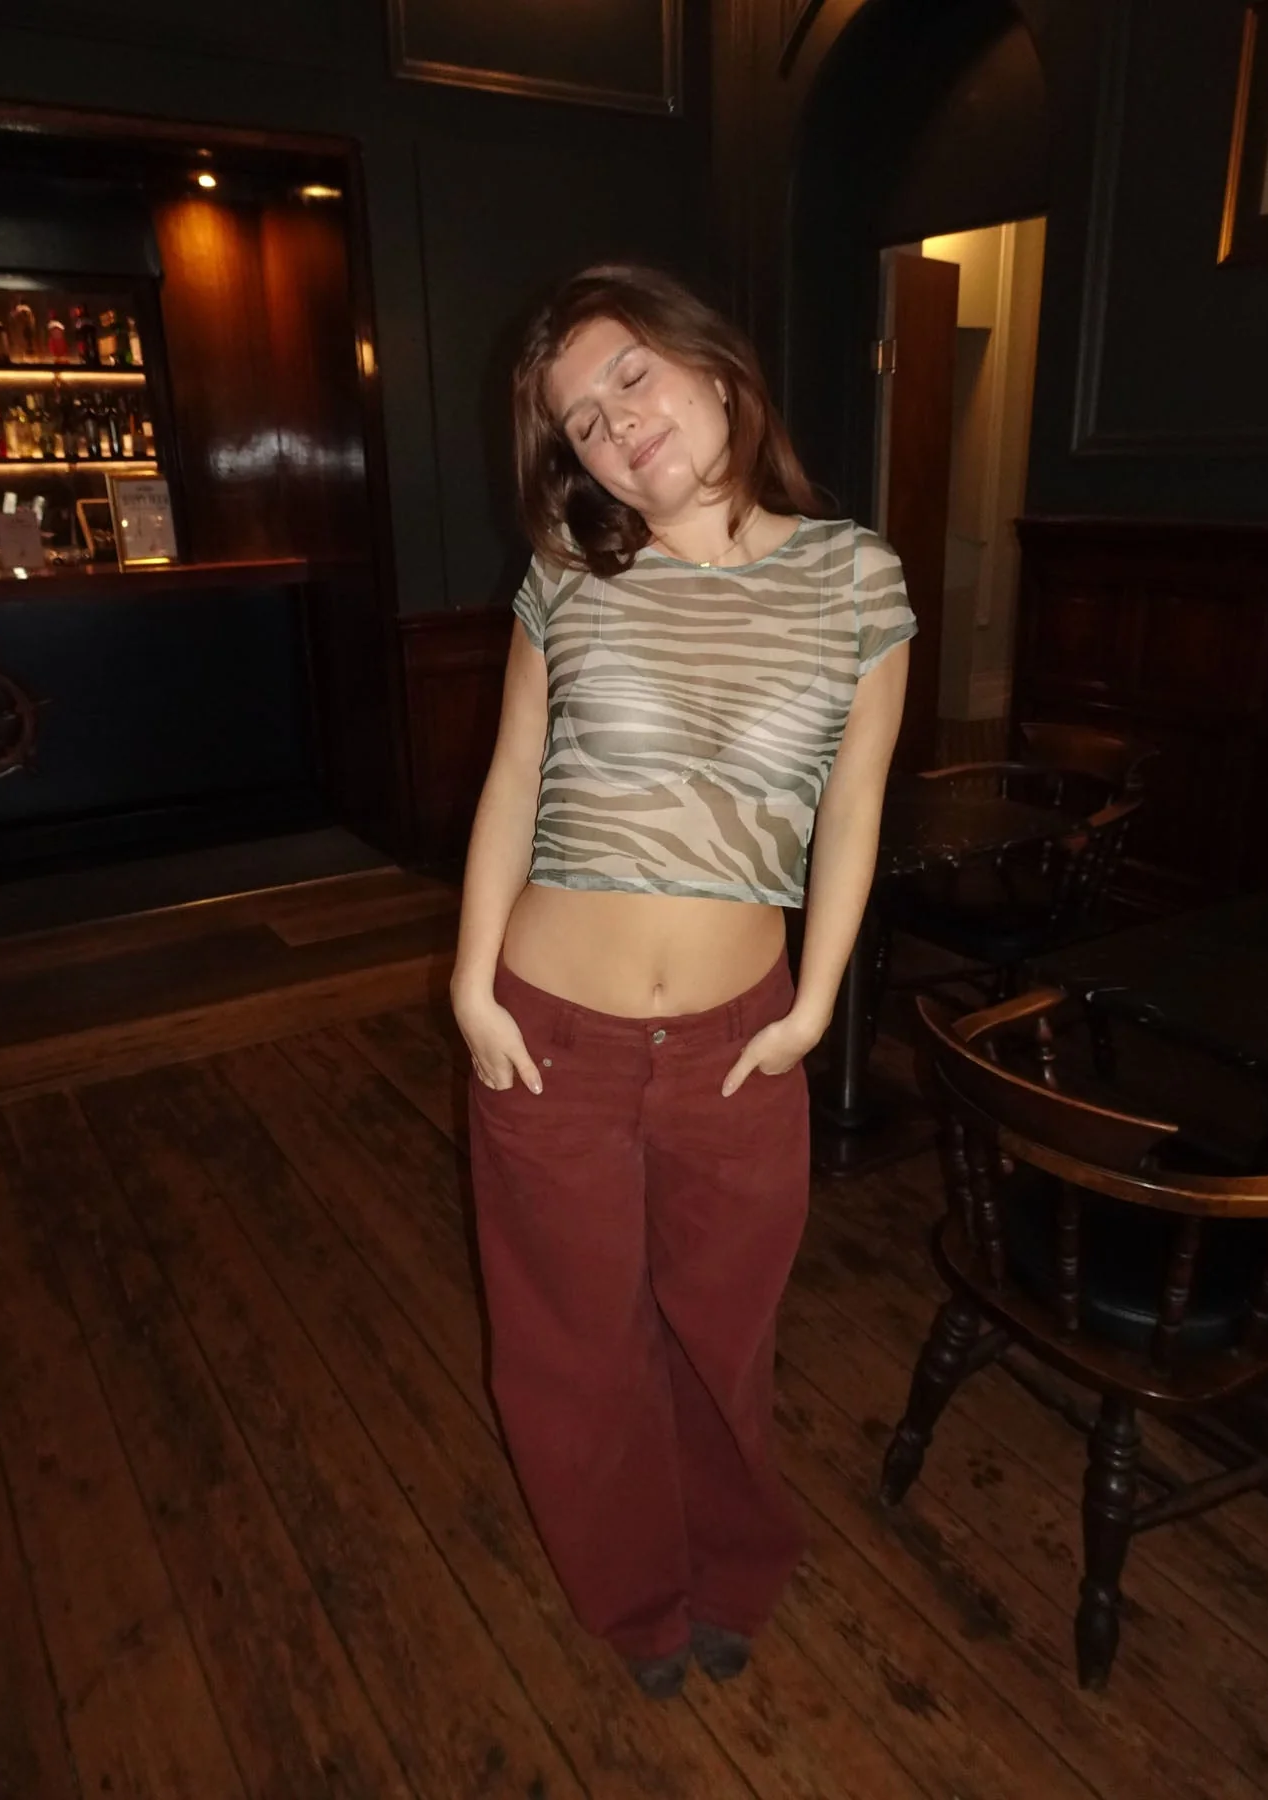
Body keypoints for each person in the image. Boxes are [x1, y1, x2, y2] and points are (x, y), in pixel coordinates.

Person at [451, 264, 914, 1698]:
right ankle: (633, 1595)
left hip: (738, 1042)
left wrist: (816, 1005)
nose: (614, 426)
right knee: (572, 1349)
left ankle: (731, 1565)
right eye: (581, 423)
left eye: (629, 377)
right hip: (547, 1031)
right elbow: (512, 777)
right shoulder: (569, 578)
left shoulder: (856, 579)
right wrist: (470, 986)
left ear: (712, 369)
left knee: (726, 1336)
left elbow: (852, 808)